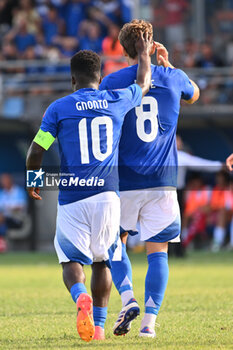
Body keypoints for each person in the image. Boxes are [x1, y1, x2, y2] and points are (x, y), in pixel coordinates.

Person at [26, 32, 152, 342]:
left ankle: (80, 296)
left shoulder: (58, 108)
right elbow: (144, 83)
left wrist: (34, 180)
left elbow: (36, 151)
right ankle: (98, 330)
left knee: (71, 260)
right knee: (103, 260)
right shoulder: (117, 98)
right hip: (108, 195)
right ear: (100, 77)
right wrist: (143, 52)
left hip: (73, 196)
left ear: (72, 79)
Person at [99, 19, 200, 338]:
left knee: (114, 244)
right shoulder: (175, 78)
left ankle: (128, 298)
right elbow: (195, 95)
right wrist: (167, 65)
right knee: (159, 253)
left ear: (124, 49)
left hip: (124, 179)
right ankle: (149, 325)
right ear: (152, 43)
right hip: (164, 181)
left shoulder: (112, 82)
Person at [0, 173, 27, 252]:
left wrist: (8, 207)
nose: (4, 183)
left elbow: (21, 207)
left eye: (5, 180)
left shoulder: (19, 192)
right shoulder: (2, 193)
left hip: (17, 219)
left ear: (10, 181)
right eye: (2, 181)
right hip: (5, 219)